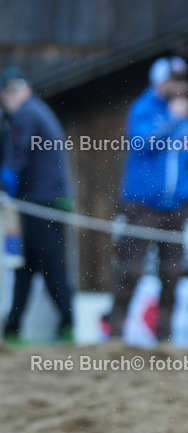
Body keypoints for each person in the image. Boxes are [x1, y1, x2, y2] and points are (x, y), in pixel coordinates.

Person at [109, 56, 188, 342]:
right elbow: (140, 143)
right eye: (174, 79)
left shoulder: (183, 116)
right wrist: (172, 120)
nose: (180, 85)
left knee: (172, 274)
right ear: (159, 81)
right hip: (143, 206)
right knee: (130, 271)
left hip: (176, 208)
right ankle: (116, 334)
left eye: (182, 79)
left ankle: (164, 338)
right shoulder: (144, 108)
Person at [0, 67, 75, 343]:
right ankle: (13, 327)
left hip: (42, 205)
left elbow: (16, 159)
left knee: (51, 269)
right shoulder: (37, 110)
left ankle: (68, 325)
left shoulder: (26, 114)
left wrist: (6, 181)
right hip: (41, 203)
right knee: (26, 267)